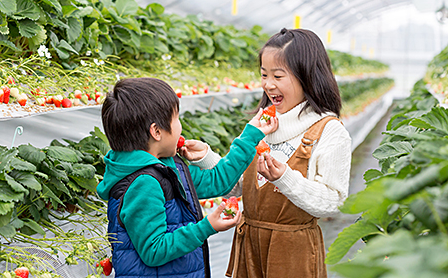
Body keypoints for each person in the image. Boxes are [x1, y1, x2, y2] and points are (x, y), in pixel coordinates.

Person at [193, 28, 352, 277]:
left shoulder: (329, 131)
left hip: (292, 250)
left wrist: (284, 178)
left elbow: (332, 201)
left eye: (278, 76)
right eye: (264, 75)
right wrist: (207, 157)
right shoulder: (263, 124)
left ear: (308, 77)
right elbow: (241, 185)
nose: (267, 84)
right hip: (249, 245)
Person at [96, 77, 278, 278]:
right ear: (156, 131)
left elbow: (220, 180)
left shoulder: (168, 166)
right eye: (176, 119)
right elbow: (154, 250)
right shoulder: (143, 183)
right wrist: (206, 227)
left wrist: (251, 135)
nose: (180, 126)